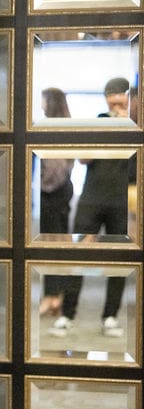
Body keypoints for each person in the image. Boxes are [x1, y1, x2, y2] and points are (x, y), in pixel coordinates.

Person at [49, 77, 131, 339]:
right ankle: (67, 314)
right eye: (111, 95)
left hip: (121, 200)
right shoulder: (97, 121)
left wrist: (127, 126)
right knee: (79, 256)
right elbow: (83, 158)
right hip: (91, 198)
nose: (116, 99)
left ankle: (110, 316)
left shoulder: (136, 125)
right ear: (106, 98)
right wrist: (108, 129)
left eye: (120, 94)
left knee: (118, 260)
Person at [37, 88, 74, 317]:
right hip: (60, 192)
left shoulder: (53, 127)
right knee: (54, 244)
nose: (40, 104)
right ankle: (54, 296)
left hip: (54, 193)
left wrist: (40, 186)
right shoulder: (65, 126)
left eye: (43, 100)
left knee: (52, 245)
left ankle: (53, 297)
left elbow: (55, 168)